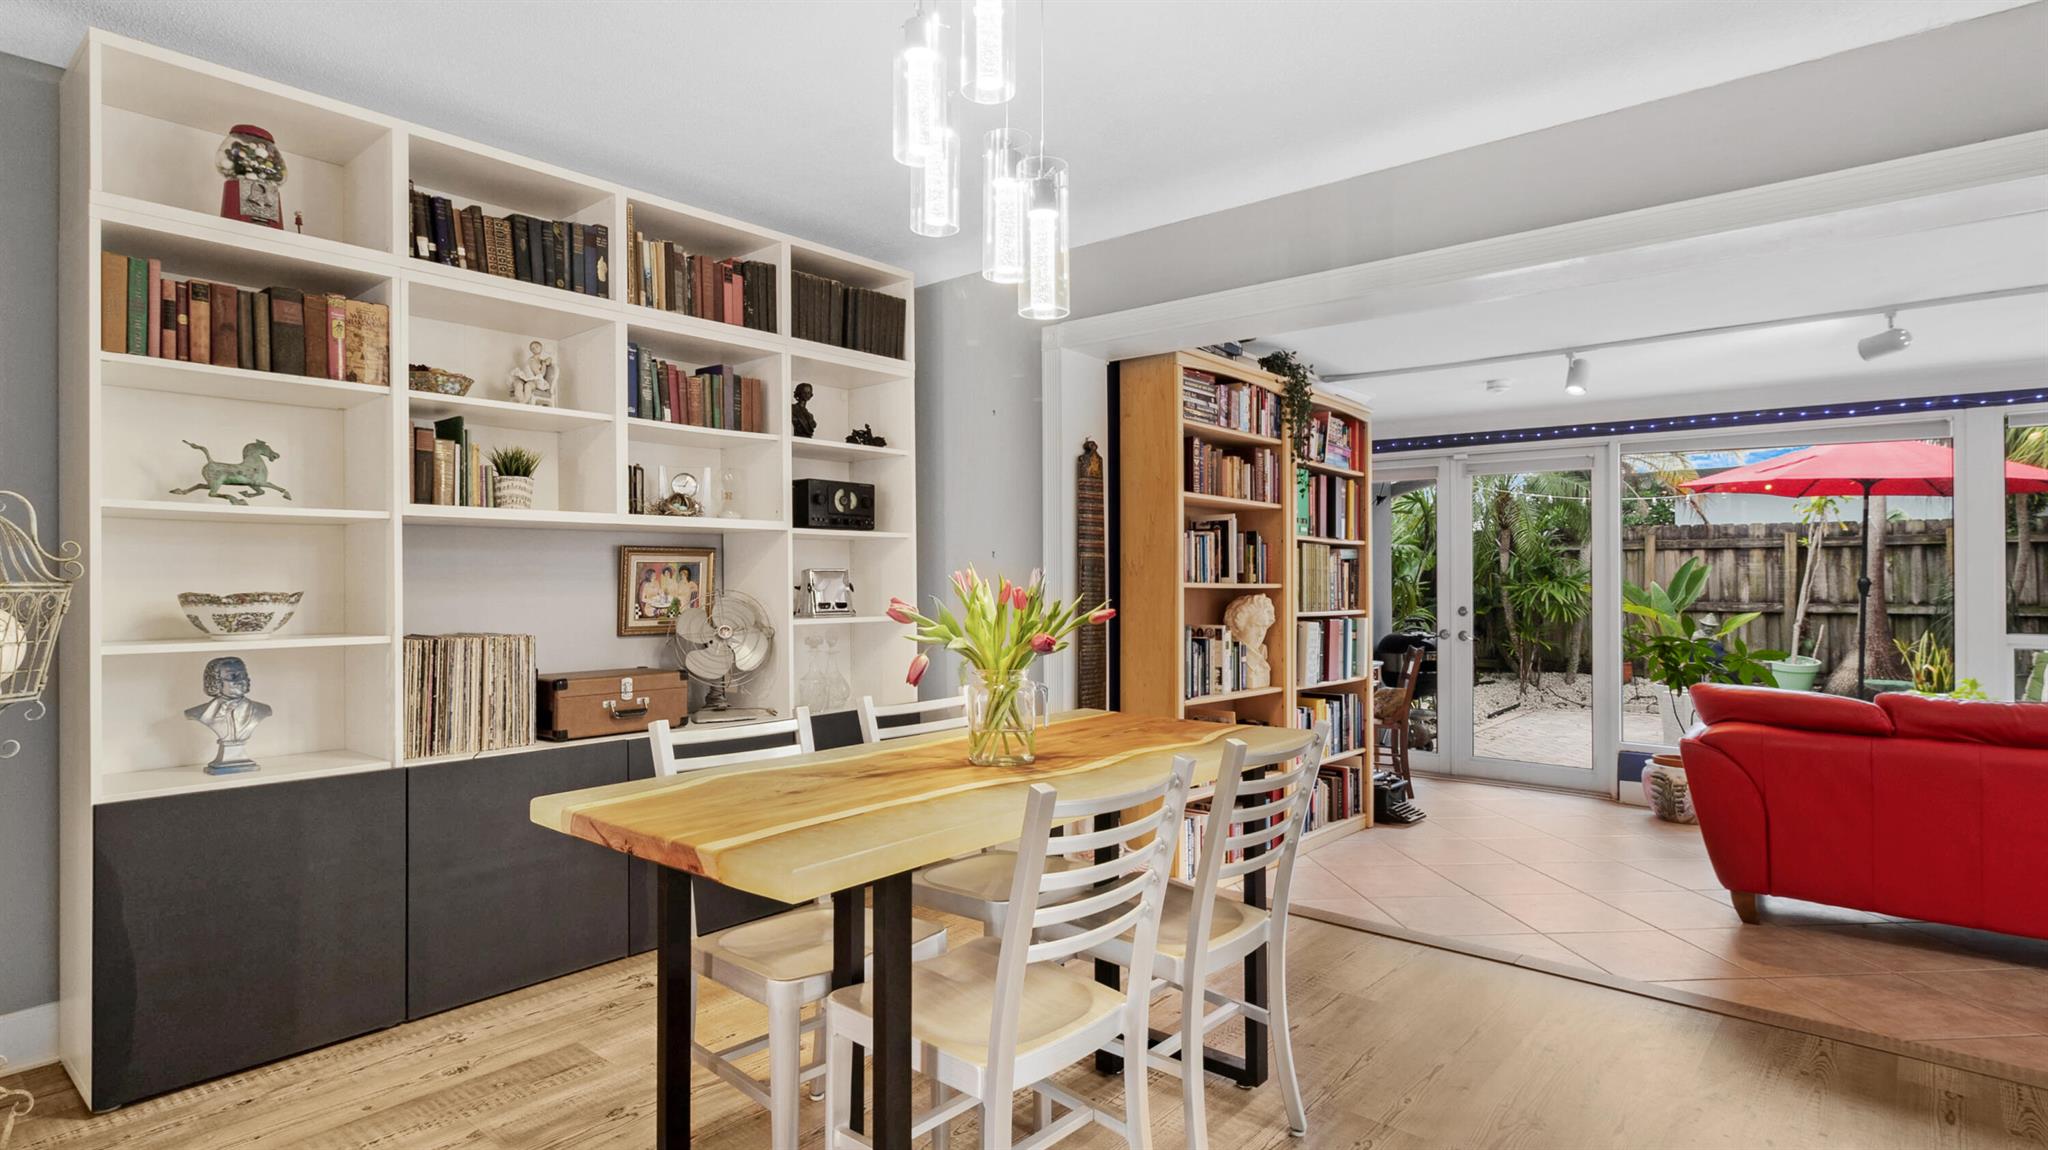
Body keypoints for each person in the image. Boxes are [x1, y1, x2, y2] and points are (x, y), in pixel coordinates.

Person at [185, 656, 271, 774]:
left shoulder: (262, 710)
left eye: (243, 675)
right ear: (216, 682)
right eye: (232, 676)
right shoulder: (199, 713)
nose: (240, 680)